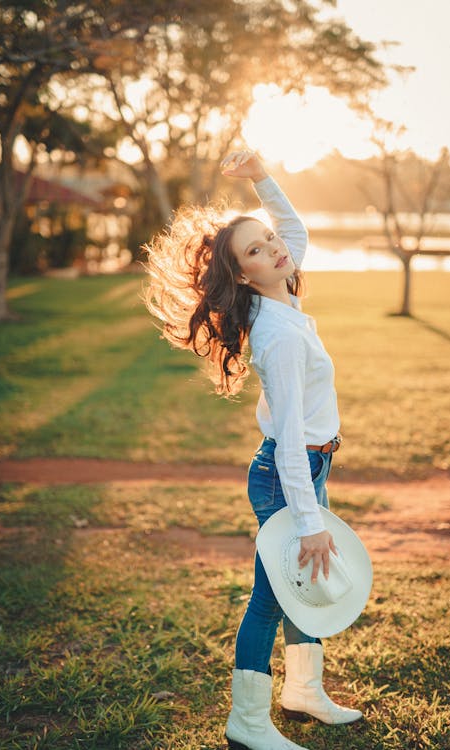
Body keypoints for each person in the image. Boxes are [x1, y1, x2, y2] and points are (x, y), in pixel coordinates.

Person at [144, 150, 362, 750]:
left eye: (269, 242)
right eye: (256, 251)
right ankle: (246, 719)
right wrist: (311, 520)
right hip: (286, 471)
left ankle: (304, 692)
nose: (274, 249)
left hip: (309, 465)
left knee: (301, 579)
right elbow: (289, 441)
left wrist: (263, 177)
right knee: (273, 592)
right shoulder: (277, 334)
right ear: (242, 274)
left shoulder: (281, 291)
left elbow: (293, 231)